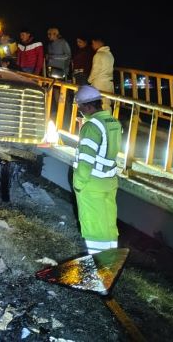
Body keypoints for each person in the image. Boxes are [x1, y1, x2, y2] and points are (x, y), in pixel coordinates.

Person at [72, 85, 122, 254]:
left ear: (88, 106)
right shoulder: (113, 123)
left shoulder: (91, 126)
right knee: (108, 223)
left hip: (92, 185)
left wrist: (78, 184)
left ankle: (99, 266)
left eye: (80, 107)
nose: (80, 111)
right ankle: (110, 261)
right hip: (110, 181)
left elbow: (86, 161)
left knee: (93, 225)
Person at [89, 35, 114, 110]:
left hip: (99, 84)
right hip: (109, 84)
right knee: (107, 105)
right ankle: (107, 120)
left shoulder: (98, 55)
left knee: (99, 106)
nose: (92, 45)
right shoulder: (110, 55)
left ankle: (99, 120)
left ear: (96, 42)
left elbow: (95, 71)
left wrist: (89, 80)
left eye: (92, 43)